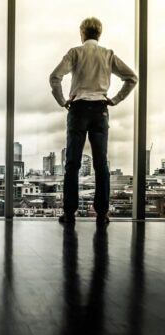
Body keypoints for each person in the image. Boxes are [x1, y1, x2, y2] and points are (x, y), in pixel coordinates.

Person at [49, 17, 138, 224]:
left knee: (72, 163)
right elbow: (131, 78)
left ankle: (69, 213)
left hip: (78, 109)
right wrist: (115, 99)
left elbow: (55, 77)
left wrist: (62, 101)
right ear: (100, 34)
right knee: (101, 164)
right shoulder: (108, 54)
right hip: (100, 110)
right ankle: (102, 213)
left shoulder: (75, 53)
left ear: (82, 33)